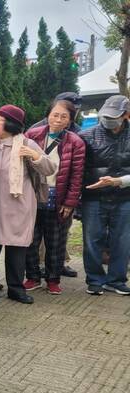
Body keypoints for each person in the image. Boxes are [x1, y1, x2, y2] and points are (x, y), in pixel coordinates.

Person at [0, 105, 56, 304]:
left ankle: (15, 288)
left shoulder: (26, 144)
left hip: (17, 206)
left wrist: (35, 156)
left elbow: (50, 168)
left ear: (10, 123)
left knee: (16, 249)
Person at [23, 99, 85, 295]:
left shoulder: (75, 142)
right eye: (55, 114)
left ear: (69, 120)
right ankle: (32, 277)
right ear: (47, 115)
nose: (58, 119)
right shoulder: (32, 136)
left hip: (58, 197)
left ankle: (53, 279)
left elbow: (77, 176)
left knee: (55, 242)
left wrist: (70, 202)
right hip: (33, 196)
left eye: (64, 116)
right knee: (31, 239)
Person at [78, 95, 130, 295]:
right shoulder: (86, 136)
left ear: (125, 115)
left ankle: (116, 280)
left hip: (125, 197)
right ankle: (95, 280)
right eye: (105, 115)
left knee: (122, 240)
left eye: (113, 116)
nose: (109, 119)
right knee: (92, 240)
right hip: (94, 198)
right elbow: (79, 170)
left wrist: (119, 182)